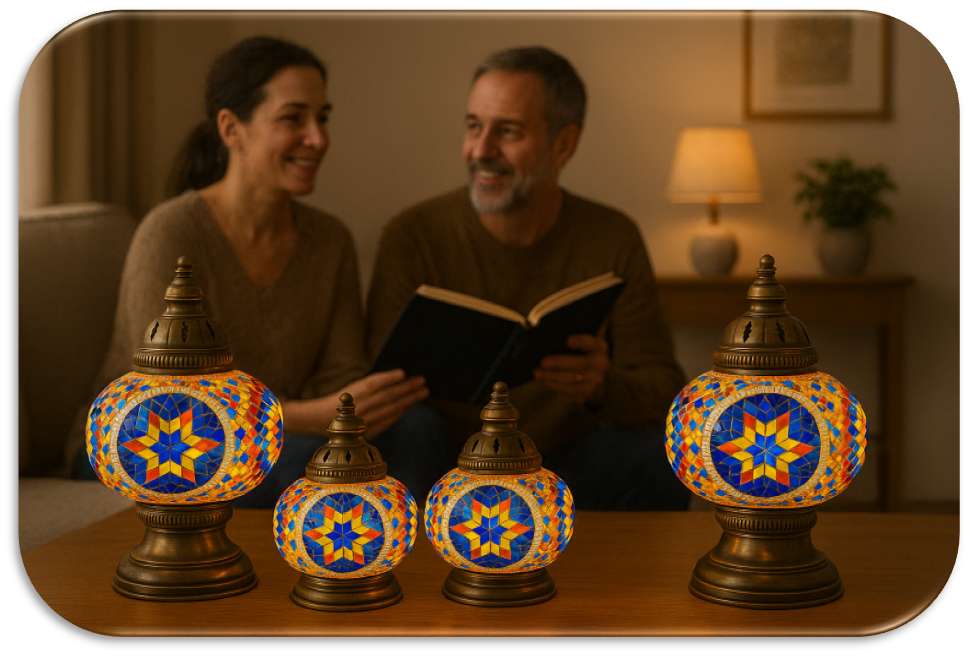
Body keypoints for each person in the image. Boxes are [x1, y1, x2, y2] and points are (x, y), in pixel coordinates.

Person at [68, 36, 444, 507]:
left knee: (420, 429)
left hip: (276, 437)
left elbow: (340, 376)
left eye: (322, 118)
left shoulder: (331, 241)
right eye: (294, 118)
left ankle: (381, 562)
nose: (318, 138)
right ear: (231, 129)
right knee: (301, 469)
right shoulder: (170, 232)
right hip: (149, 443)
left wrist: (360, 403)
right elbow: (169, 402)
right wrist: (308, 416)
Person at [366, 46, 690, 511]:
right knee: (412, 429)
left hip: (561, 465)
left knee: (663, 455)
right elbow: (380, 390)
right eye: (474, 127)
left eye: (508, 132)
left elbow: (662, 387)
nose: (480, 151)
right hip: (445, 467)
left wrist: (601, 386)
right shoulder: (411, 234)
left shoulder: (613, 236)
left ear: (564, 144)